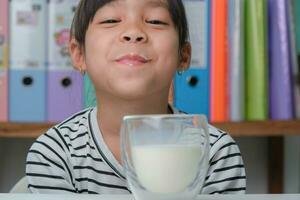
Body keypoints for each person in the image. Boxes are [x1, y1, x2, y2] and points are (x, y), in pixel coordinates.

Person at [26, 0, 246, 194]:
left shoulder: (215, 154)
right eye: (111, 20)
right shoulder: (54, 154)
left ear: (184, 55)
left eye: (156, 21)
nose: (133, 32)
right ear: (78, 54)